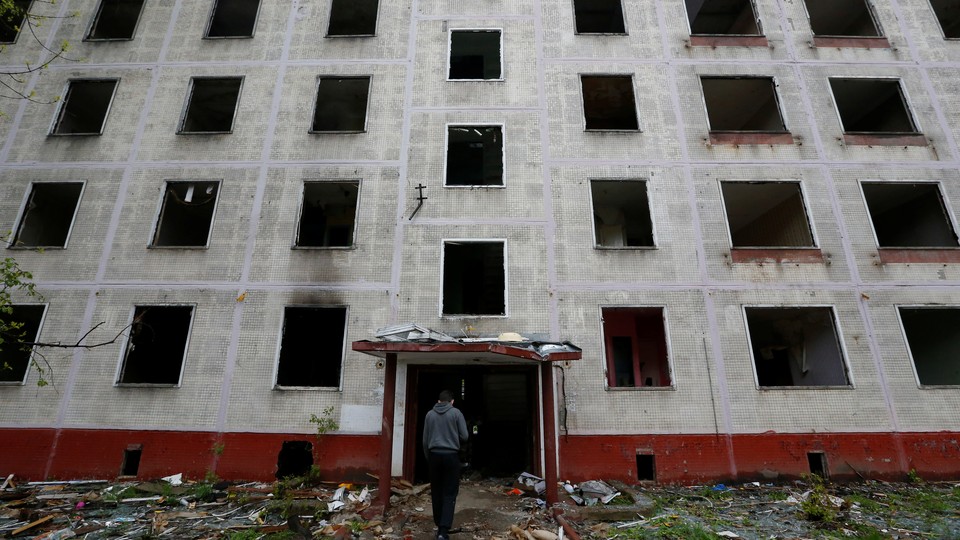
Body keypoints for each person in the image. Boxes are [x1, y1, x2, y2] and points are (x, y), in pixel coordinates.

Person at [423, 390, 469, 540]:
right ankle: (443, 530)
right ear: (452, 401)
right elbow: (465, 435)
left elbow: (425, 440)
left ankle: (438, 523)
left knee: (436, 491)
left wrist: (429, 457)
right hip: (451, 456)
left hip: (434, 455)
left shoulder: (430, 415)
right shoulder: (456, 413)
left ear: (438, 401)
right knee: (450, 492)